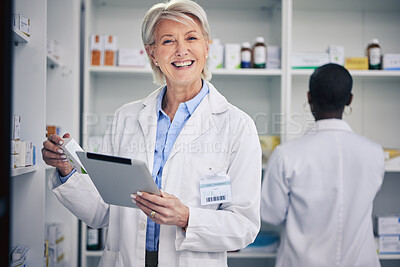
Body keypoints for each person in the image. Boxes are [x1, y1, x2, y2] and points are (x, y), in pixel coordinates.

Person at [42, 0, 261, 266]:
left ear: (206, 46)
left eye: (191, 38)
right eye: (168, 41)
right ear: (152, 53)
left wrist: (187, 217)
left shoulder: (238, 126)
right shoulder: (127, 117)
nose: (182, 50)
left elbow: (244, 226)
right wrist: (67, 169)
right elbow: (101, 212)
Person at [260, 63, 385, 267]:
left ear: (309, 97)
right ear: (350, 99)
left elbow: (270, 214)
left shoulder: (287, 155)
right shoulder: (375, 153)